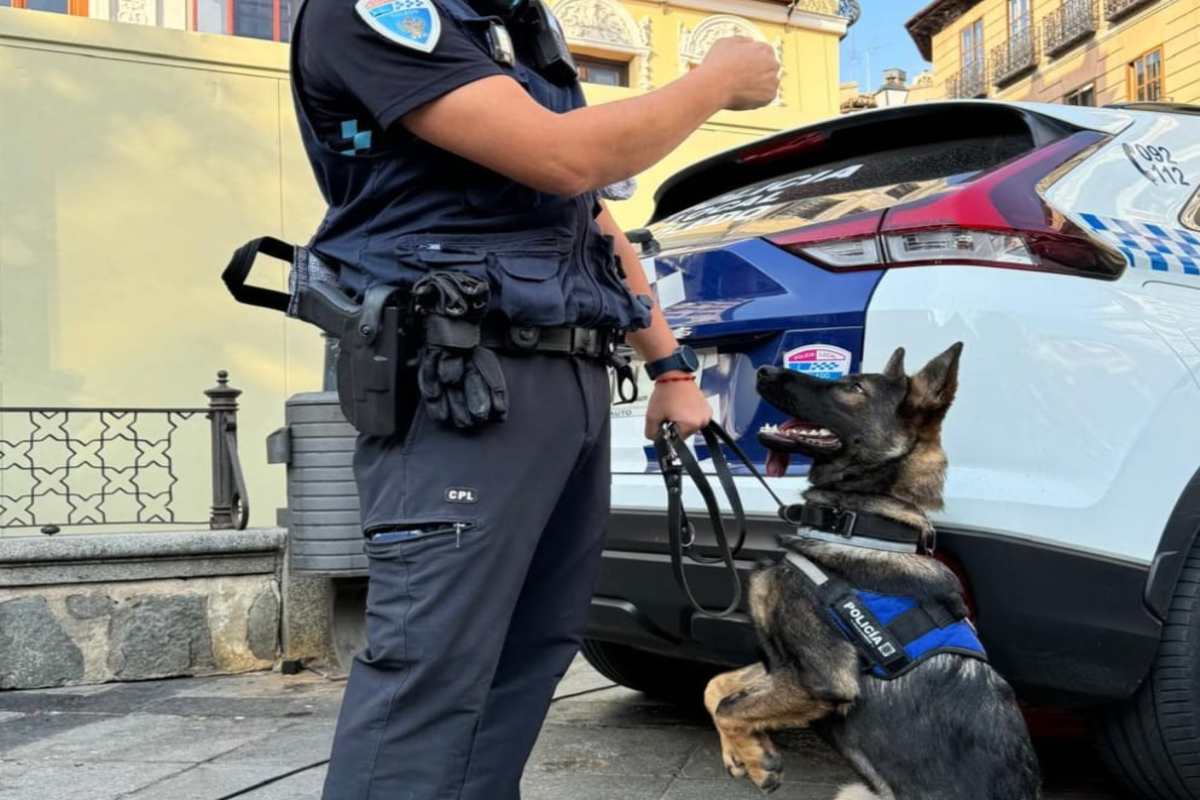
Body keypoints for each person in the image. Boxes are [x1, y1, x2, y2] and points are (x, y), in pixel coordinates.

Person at [288, 0, 780, 794]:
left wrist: (671, 369)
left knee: (530, 651)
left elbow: (588, 215)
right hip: (461, 383)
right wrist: (716, 79)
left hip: (565, 379)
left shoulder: (512, 22)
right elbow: (565, 160)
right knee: (433, 663)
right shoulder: (377, 11)